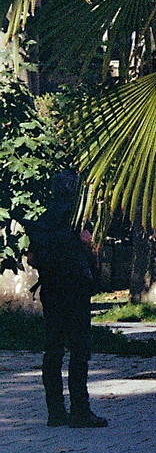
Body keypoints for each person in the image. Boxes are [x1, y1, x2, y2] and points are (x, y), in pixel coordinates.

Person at [25, 171, 104, 427]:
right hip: (76, 289)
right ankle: (80, 410)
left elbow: (32, 259)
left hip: (51, 288)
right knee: (79, 350)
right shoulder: (79, 219)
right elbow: (88, 245)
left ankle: (55, 412)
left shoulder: (43, 221)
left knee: (53, 349)